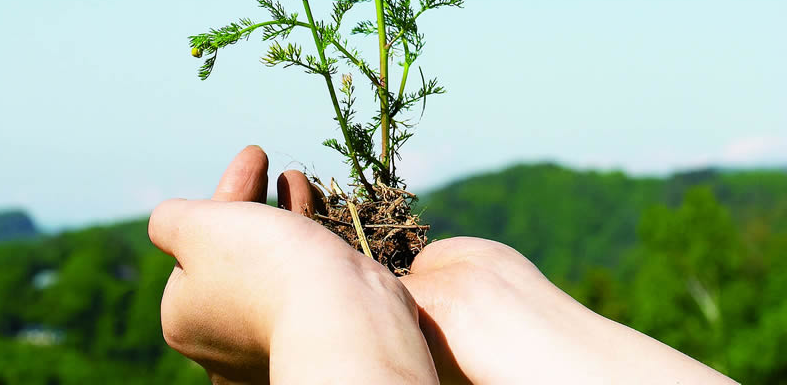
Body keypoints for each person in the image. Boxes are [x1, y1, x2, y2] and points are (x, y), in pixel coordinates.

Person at [149, 144, 739, 385]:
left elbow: (313, 292)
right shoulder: (488, 298)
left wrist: (310, 300)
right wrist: (492, 308)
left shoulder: (311, 288)